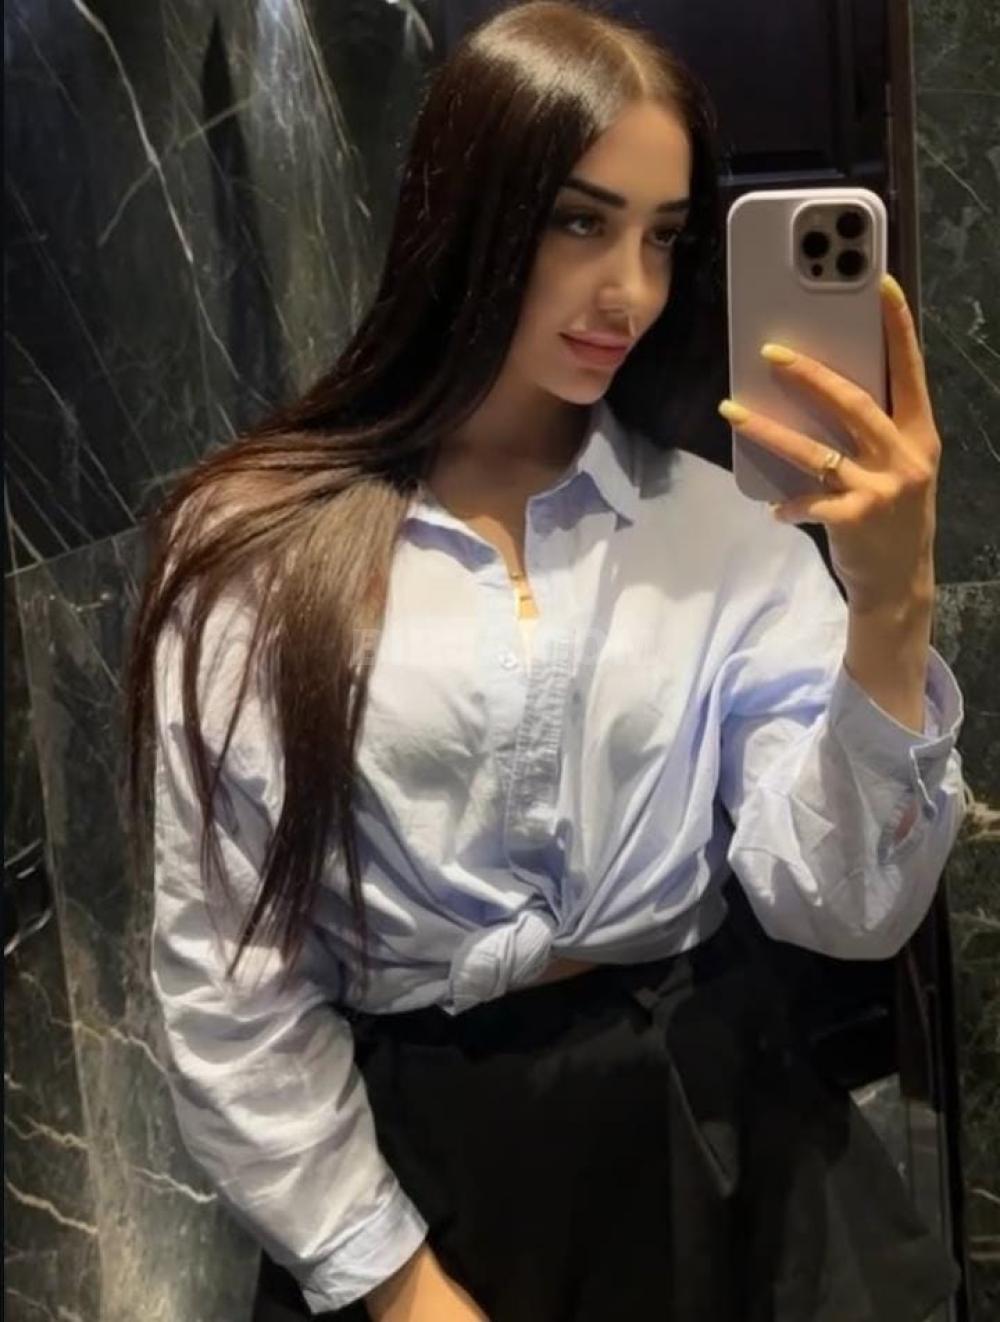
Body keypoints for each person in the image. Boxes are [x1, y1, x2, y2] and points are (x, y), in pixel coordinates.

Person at [124, 3, 968, 1319]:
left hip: (715, 1146)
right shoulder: (256, 548)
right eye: (581, 221)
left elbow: (848, 906)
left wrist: (892, 600)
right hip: (416, 1166)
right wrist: (392, 1281)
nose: (631, 290)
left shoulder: (723, 530)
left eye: (664, 236)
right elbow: (229, 986)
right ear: (464, 209)